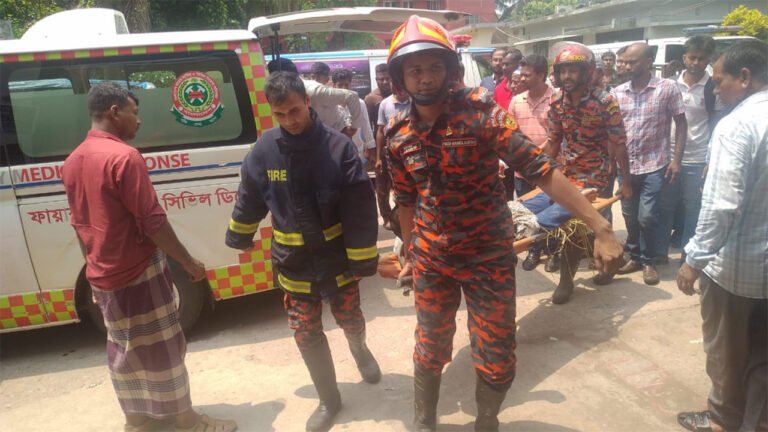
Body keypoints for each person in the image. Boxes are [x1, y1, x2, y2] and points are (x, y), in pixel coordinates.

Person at [385, 16, 624, 432]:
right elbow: (406, 198)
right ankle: (424, 422)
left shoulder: (482, 116)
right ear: (401, 77)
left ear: (450, 69)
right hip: (431, 259)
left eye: (434, 67)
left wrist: (600, 226)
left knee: (496, 355)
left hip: (487, 257)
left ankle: (487, 421)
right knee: (430, 349)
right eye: (415, 70)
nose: (425, 78)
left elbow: (541, 169)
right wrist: (407, 249)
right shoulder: (397, 132)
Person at [61, 82, 236, 432]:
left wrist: (94, 274)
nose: (138, 121)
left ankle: (137, 421)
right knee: (164, 347)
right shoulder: (124, 157)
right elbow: (152, 221)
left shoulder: (72, 161)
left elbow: (80, 226)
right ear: (114, 112)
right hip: (138, 272)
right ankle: (186, 421)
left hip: (103, 277)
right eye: (134, 112)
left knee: (124, 352)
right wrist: (187, 262)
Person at [225, 72, 381, 432]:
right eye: (280, 115)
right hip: (292, 263)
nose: (290, 121)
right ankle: (329, 400)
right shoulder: (264, 151)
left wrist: (362, 259)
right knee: (305, 332)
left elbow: (359, 206)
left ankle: (360, 350)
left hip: (337, 260)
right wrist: (240, 236)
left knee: (350, 318)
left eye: (295, 111)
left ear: (307, 102)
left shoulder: (338, 148)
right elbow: (249, 196)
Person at [676, 40, 768, 432]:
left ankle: (721, 422)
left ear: (744, 77)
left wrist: (693, 261)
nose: (714, 91)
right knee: (764, 359)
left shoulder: (737, 125)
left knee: (727, 355)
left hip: (736, 272)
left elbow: (721, 205)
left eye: (719, 81)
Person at [520, 44, 632, 303]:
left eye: (574, 71)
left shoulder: (606, 102)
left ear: (587, 72)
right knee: (575, 228)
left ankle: (581, 277)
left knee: (587, 226)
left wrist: (626, 181)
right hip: (568, 173)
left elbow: (619, 144)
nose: (568, 76)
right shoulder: (557, 102)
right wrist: (532, 165)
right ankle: (583, 273)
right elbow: (554, 141)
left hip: (599, 175)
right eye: (564, 71)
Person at [611, 42, 687, 285]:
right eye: (625, 62)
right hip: (627, 168)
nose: (627, 66)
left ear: (648, 62)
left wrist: (676, 160)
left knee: (648, 217)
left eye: (633, 62)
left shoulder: (667, 88)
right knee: (630, 216)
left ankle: (649, 261)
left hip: (656, 165)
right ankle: (634, 256)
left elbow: (682, 124)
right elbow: (613, 132)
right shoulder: (618, 92)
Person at [657, 35, 723, 265]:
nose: (695, 62)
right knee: (665, 206)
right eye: (692, 57)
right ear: (684, 57)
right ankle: (659, 251)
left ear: (708, 60)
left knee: (693, 208)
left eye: (701, 59)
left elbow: (716, 123)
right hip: (668, 157)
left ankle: (687, 253)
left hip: (697, 158)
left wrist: (711, 158)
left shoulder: (713, 88)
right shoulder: (670, 85)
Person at [509, 54, 554, 199]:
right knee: (527, 215)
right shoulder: (516, 101)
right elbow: (510, 134)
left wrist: (535, 156)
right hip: (523, 172)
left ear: (541, 75)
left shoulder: (557, 100)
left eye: (527, 75)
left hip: (549, 170)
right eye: (521, 75)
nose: (522, 79)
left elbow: (558, 136)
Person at [375, 88, 411, 230]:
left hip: (411, 154)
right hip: (391, 155)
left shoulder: (415, 102)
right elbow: (380, 131)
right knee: (385, 189)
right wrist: (378, 157)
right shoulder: (385, 104)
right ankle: (391, 221)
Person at [332, 68, 376, 166]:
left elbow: (366, 126)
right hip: (335, 154)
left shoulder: (359, 103)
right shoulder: (330, 105)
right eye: (340, 85)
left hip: (357, 153)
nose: (344, 88)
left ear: (350, 85)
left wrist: (371, 149)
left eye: (346, 85)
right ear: (334, 86)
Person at [364, 63, 393, 131]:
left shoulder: (398, 95)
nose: (385, 82)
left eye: (387, 78)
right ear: (376, 80)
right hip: (379, 137)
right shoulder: (370, 98)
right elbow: (368, 125)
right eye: (381, 79)